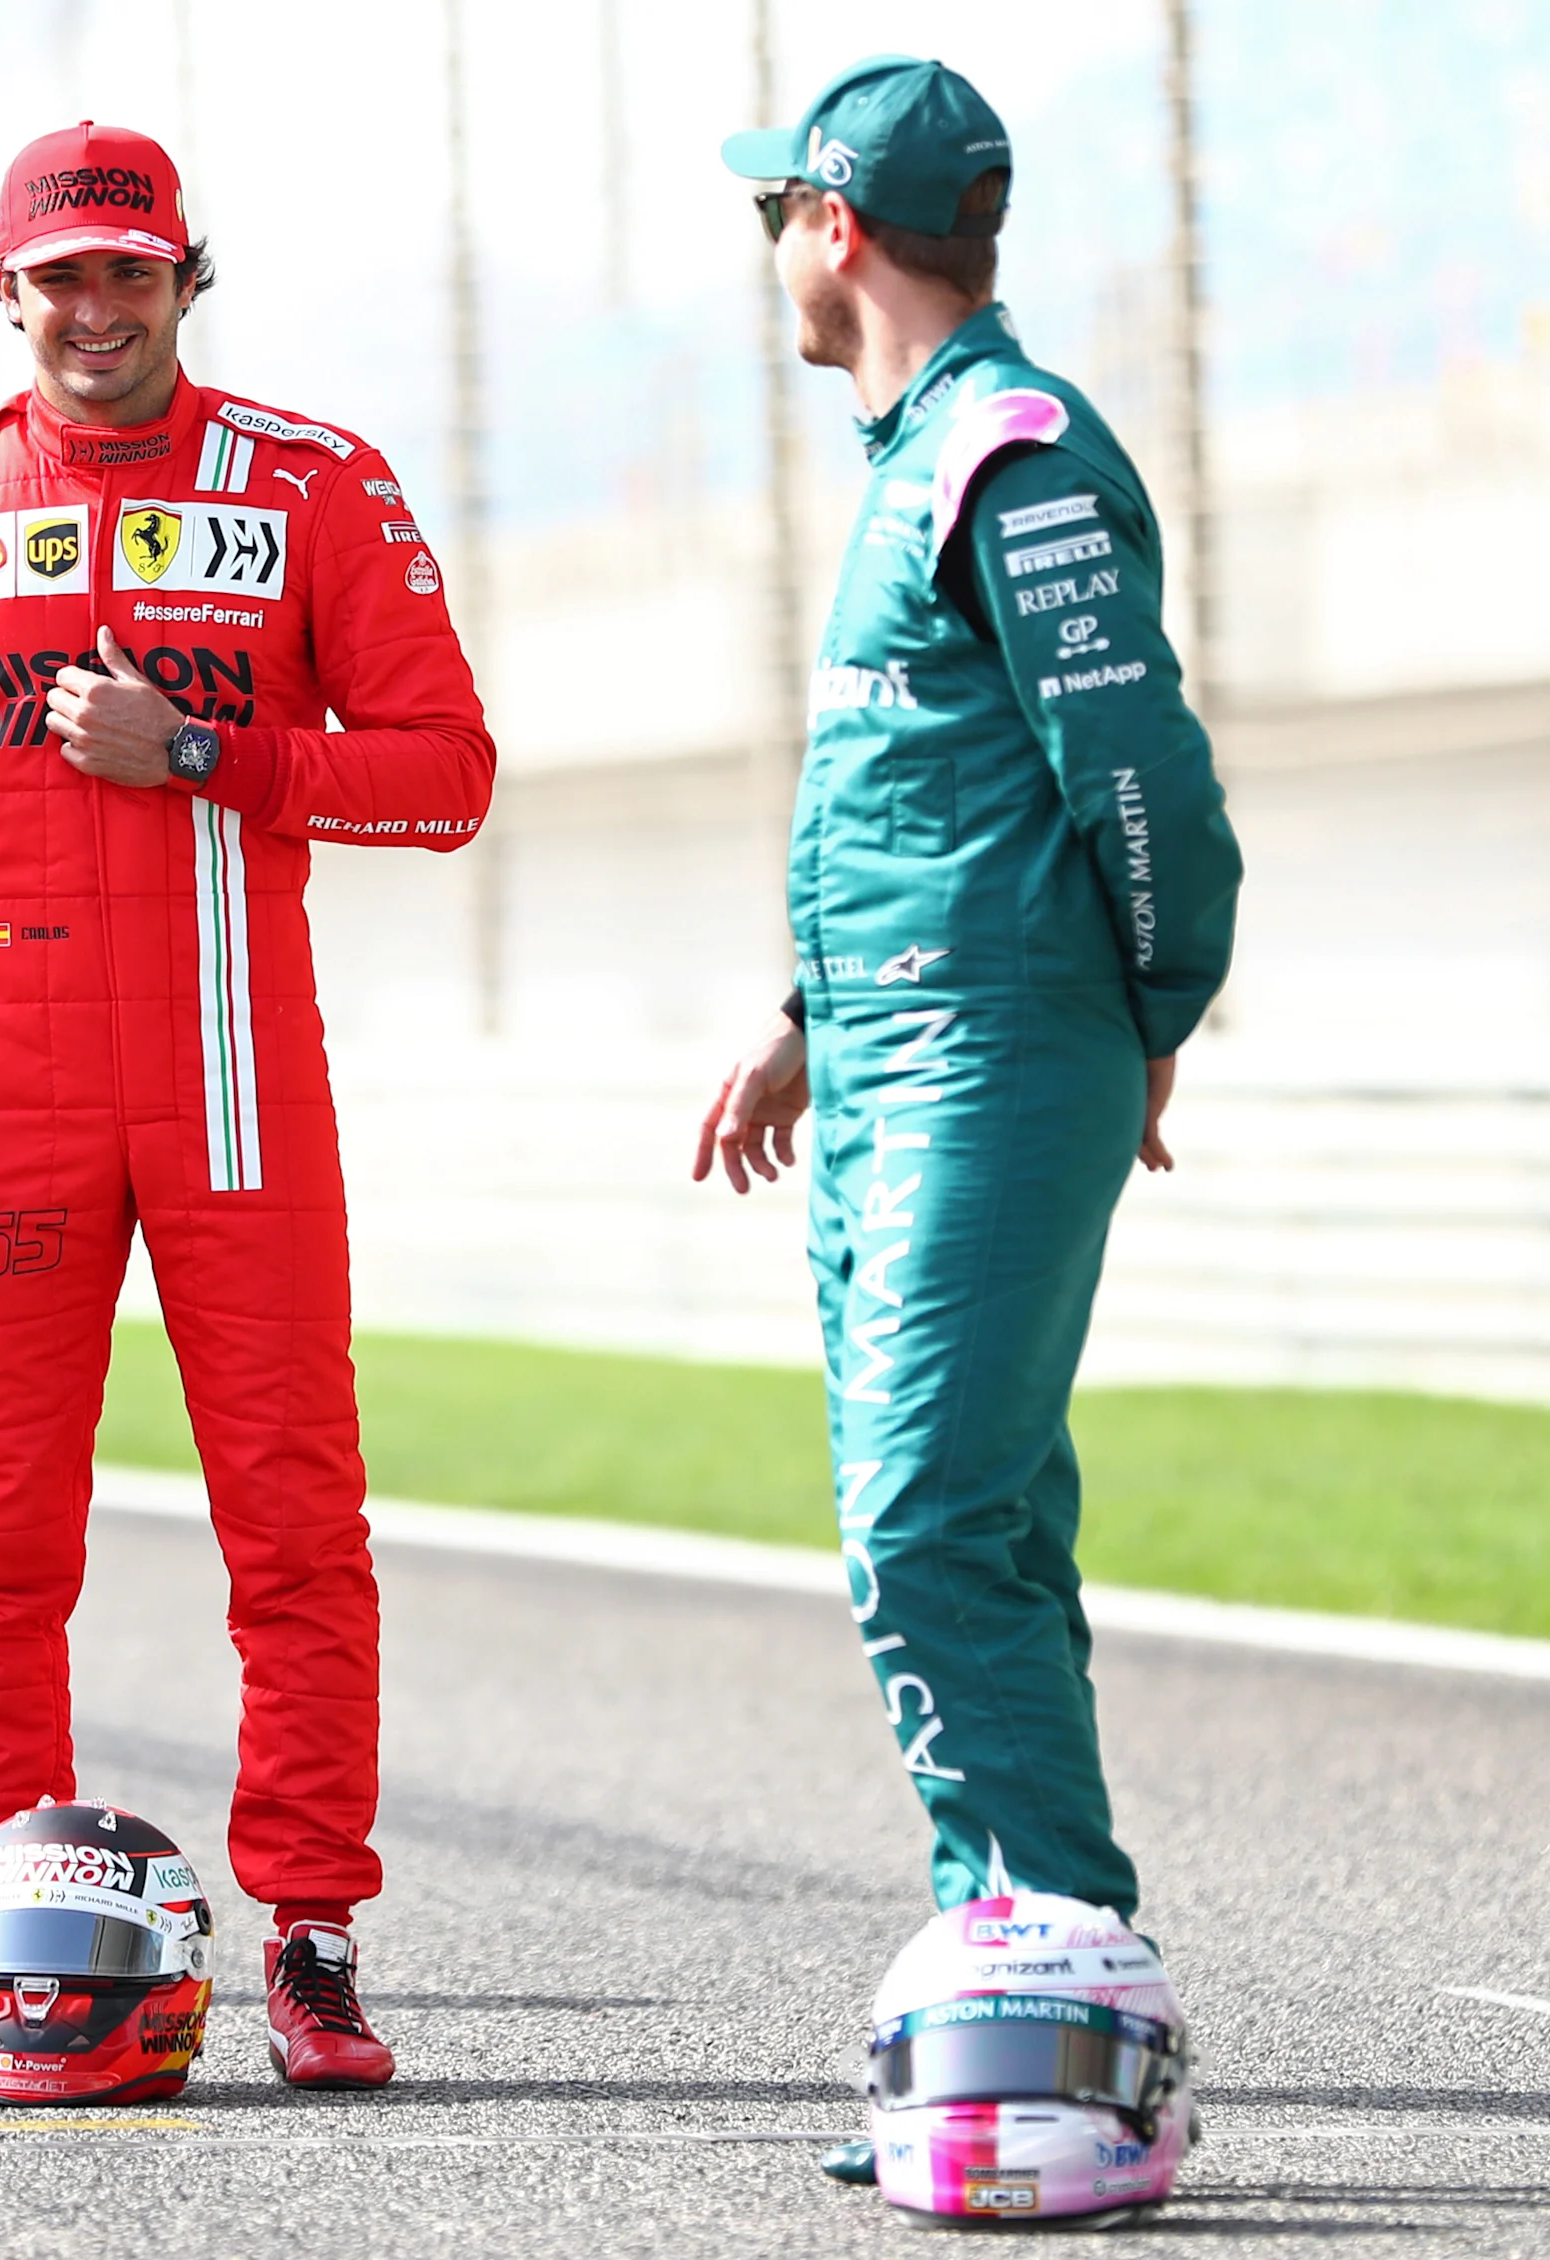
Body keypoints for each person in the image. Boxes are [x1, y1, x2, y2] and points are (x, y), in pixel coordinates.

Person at [0, 121, 496, 2093]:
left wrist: (203, 748)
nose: (95, 308)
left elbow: (445, 775)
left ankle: (314, 1938)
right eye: (61, 277)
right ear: (1, 292)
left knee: (295, 1522)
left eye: (130, 270)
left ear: (188, 279)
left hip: (235, 1085)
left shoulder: (312, 482)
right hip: (2, 1092)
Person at [692, 57, 1240, 2192]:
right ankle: (1026, 1996)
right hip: (894, 1049)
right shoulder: (918, 450)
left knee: (925, 1514)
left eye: (778, 217)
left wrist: (1147, 1009)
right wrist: (804, 1016)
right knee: (967, 1537)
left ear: (835, 229)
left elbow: (1136, 774)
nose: (772, 255)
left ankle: (1059, 1983)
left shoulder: (1010, 447)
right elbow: (940, 791)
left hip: (997, 1053)